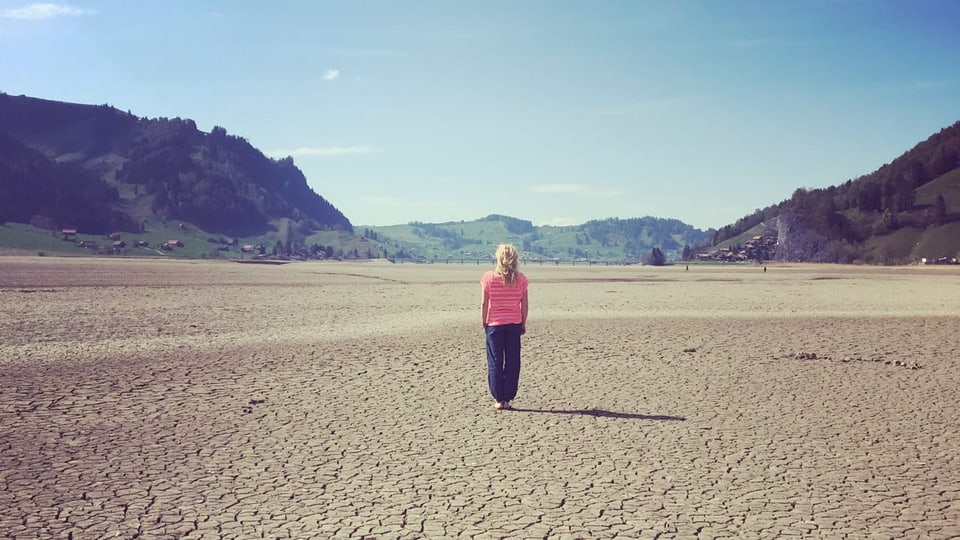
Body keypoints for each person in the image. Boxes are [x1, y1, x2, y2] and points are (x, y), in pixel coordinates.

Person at [481, 243, 529, 411]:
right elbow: (525, 306)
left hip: (494, 325)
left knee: (495, 362)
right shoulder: (521, 279)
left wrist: (484, 322)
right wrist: (523, 323)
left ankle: (498, 399)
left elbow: (484, 303)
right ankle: (507, 399)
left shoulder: (488, 278)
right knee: (512, 362)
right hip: (513, 324)